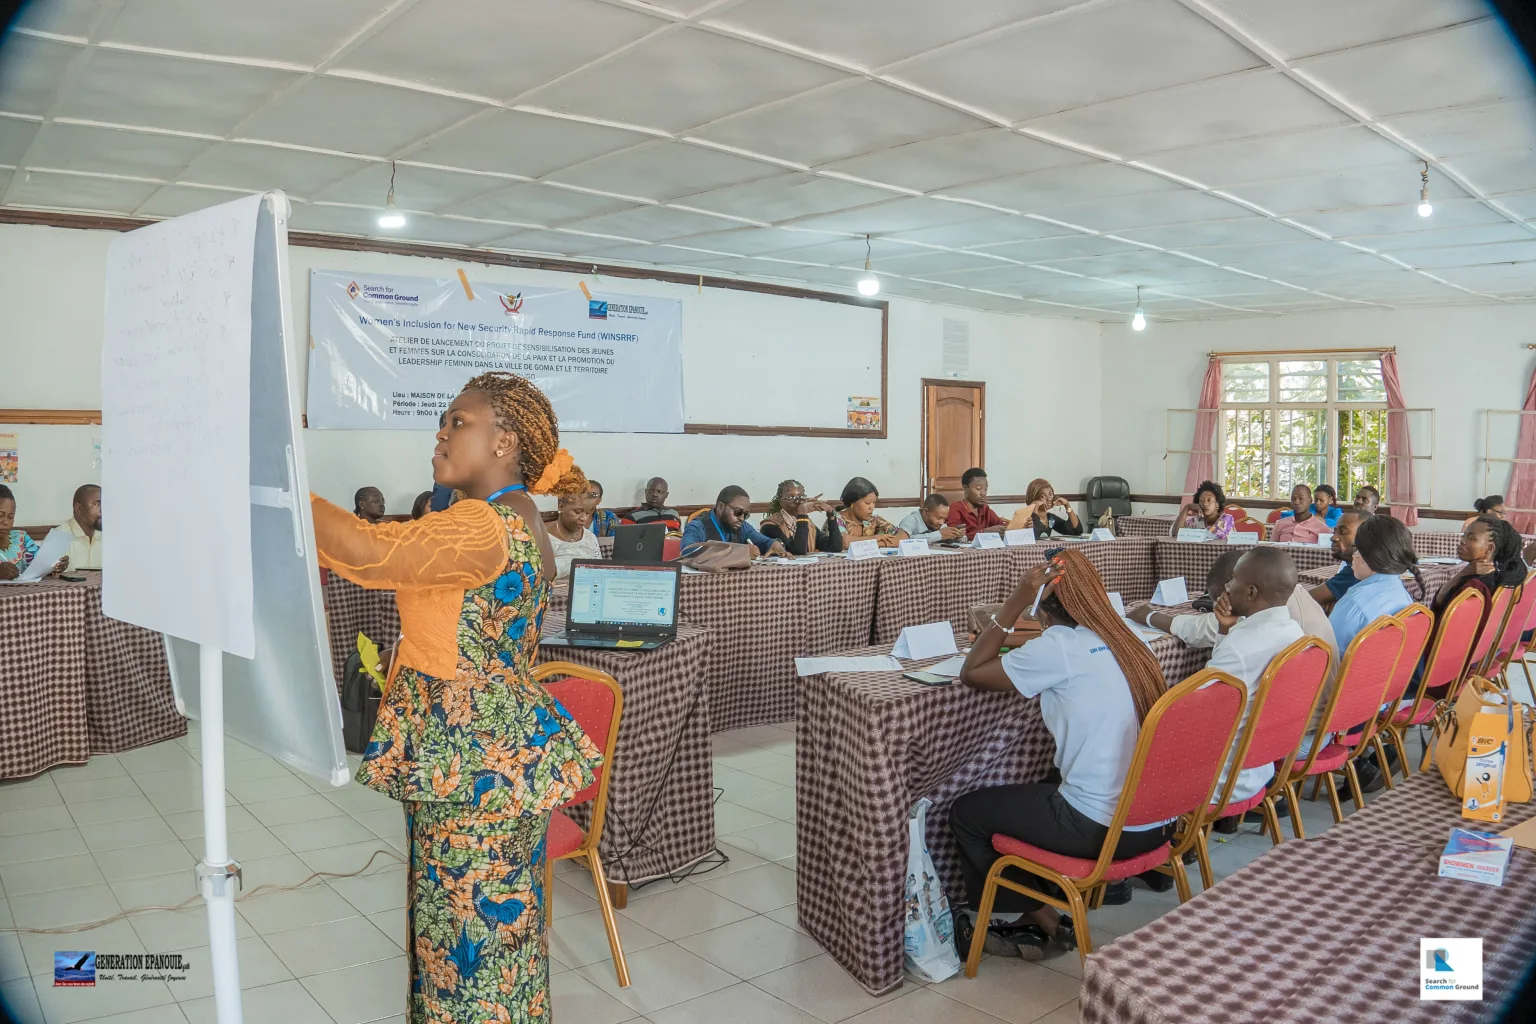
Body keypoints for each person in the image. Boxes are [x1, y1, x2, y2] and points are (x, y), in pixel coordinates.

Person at [310, 371, 602, 1024]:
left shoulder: (479, 525)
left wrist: (273, 492)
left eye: (458, 422)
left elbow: (364, 551)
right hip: (489, 758)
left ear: (504, 442)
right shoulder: (521, 515)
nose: (441, 433)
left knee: (464, 939)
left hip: (465, 766)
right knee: (494, 937)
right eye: (442, 422)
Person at [949, 550, 1172, 959]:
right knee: (1047, 782)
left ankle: (1035, 916)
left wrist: (1014, 601)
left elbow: (972, 672)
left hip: (1102, 831)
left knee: (967, 813)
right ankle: (1069, 899)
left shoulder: (1060, 647)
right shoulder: (1126, 636)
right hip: (1158, 820)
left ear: (1042, 608)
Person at [1200, 548, 1307, 812]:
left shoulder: (1241, 648)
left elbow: (1193, 710)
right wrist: (1225, 629)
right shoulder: (1295, 632)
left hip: (1220, 779)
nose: (1227, 586)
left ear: (1250, 593)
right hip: (1259, 768)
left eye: (1233, 579)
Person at [1127, 549, 1335, 656]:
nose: (1222, 602)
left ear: (1249, 592)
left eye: (1225, 594)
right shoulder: (1286, 591)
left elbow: (1195, 631)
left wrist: (1148, 615)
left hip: (1302, 726)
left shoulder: (1254, 622)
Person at [1329, 513, 1423, 656]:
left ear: (1372, 555)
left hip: (1350, 676)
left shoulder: (1354, 604)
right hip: (1393, 676)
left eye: (1357, 549)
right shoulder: (1399, 591)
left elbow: (1328, 655)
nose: (1354, 556)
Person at [680, 485, 786, 556]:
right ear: (721, 506)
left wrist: (775, 544)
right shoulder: (697, 526)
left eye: (746, 515)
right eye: (738, 512)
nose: (742, 518)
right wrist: (740, 552)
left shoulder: (742, 526)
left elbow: (765, 542)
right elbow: (688, 551)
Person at [1307, 508, 1370, 610]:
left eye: (1343, 532)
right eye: (1335, 532)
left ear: (1365, 538)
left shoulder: (1355, 573)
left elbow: (1306, 600)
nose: (1333, 538)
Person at [759, 479, 842, 555]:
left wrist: (831, 514)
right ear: (781, 502)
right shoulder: (770, 526)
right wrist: (802, 514)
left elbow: (835, 547)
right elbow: (798, 551)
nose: (798, 501)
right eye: (791, 497)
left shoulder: (809, 525)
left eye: (801, 497)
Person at [837, 477, 906, 548]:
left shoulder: (873, 520)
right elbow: (843, 542)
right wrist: (874, 539)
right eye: (867, 503)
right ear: (852, 503)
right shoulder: (836, 520)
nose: (872, 507)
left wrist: (875, 543)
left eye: (874, 503)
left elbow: (902, 537)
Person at [549, 493, 600, 578]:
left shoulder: (590, 538)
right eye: (578, 512)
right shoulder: (544, 539)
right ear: (561, 507)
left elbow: (599, 572)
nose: (584, 518)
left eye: (588, 513)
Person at [947, 467, 1006, 540]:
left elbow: (1002, 527)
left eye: (985, 489)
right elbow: (952, 535)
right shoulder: (955, 509)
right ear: (965, 488)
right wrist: (984, 533)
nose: (983, 493)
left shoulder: (985, 509)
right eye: (978, 488)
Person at [1013, 478, 1083, 537]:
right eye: (1043, 496)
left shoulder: (1050, 518)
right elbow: (1034, 534)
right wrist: (1035, 508)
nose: (1049, 499)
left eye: (1050, 494)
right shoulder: (1026, 517)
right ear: (1034, 498)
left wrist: (1067, 505)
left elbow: (1074, 531)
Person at [1171, 480, 1235, 541]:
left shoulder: (1226, 519)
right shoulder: (1196, 521)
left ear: (1217, 503)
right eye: (1201, 501)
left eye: (1209, 500)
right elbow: (1176, 535)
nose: (1205, 504)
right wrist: (1187, 508)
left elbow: (1216, 538)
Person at [0, 484, 39, 580]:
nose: (6, 522)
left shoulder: (21, 538)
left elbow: (41, 565)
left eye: (10, 517)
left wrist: (55, 566)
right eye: (0, 515)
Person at [59, 484, 102, 570]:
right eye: (97, 504)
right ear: (78, 508)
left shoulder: (111, 538)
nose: (103, 510)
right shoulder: (59, 538)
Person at [898, 494, 965, 544]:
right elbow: (903, 541)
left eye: (944, 519)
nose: (941, 522)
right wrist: (939, 535)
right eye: (939, 518)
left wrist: (957, 535)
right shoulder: (910, 520)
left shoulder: (940, 524)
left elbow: (962, 541)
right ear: (926, 512)